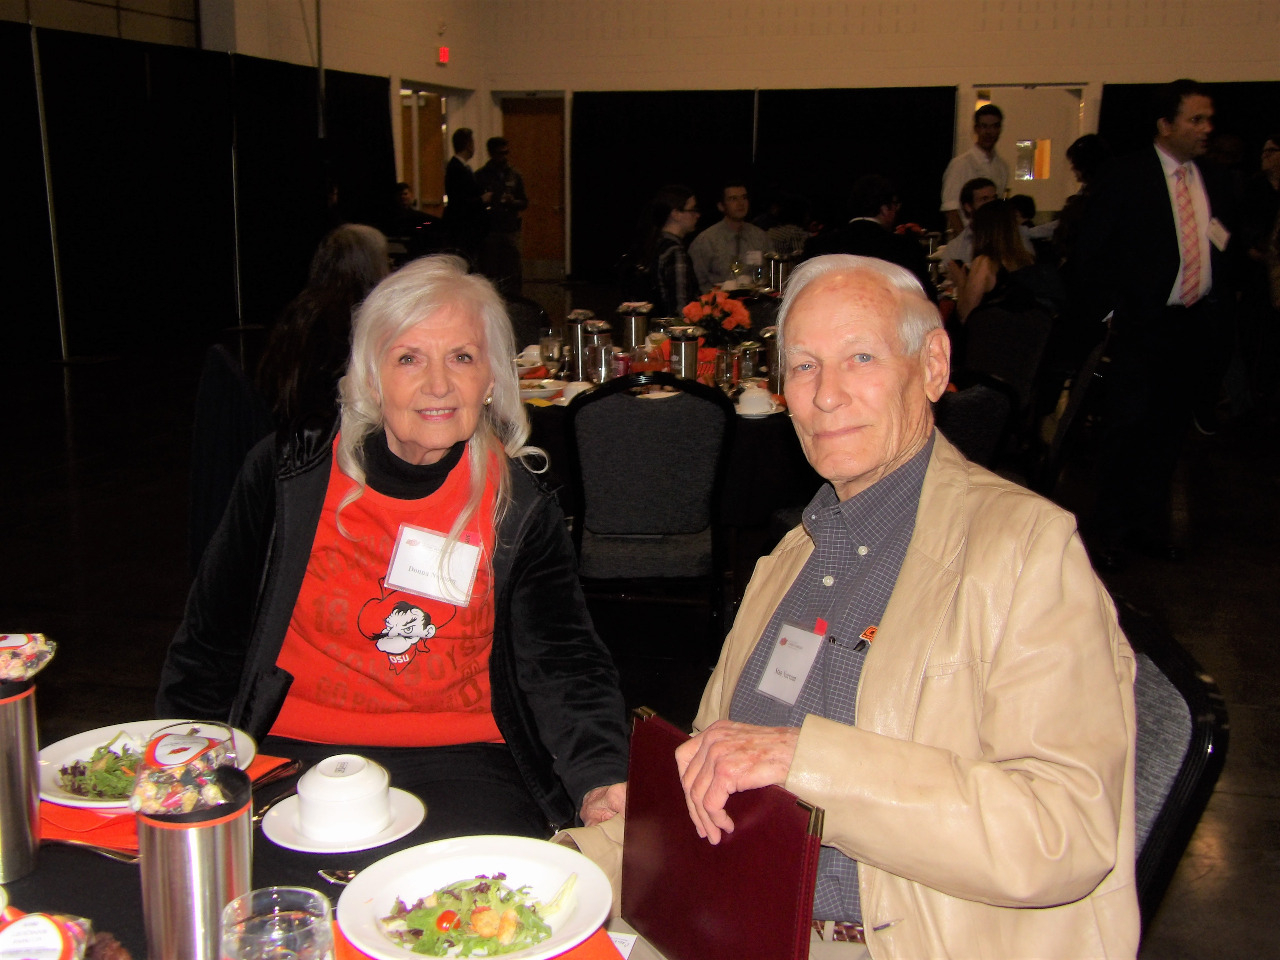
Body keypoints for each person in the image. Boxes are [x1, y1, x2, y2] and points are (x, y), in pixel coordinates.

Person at [561, 255, 1139, 959]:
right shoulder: (790, 561)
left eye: (859, 357)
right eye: (802, 367)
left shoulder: (1024, 553)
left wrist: (805, 759)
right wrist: (598, 847)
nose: (826, 395)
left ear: (931, 366)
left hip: (892, 939)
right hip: (729, 910)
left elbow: (1064, 833)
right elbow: (724, 767)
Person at [159, 255, 630, 836]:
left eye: (462, 357)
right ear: (370, 378)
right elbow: (212, 638)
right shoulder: (289, 476)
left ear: (492, 380)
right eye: (409, 358)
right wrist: (189, 762)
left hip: (461, 758)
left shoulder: (519, 506)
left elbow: (565, 662)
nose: (438, 384)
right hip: (295, 752)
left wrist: (600, 775)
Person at [1077, 79, 1237, 569]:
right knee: (1127, 428)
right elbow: (1089, 251)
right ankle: (1106, 531)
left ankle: (1147, 525)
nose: (1206, 129)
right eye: (1195, 119)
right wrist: (1111, 313)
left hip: (1192, 327)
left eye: (1210, 119)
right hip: (1141, 327)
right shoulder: (1127, 176)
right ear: (1165, 125)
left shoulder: (1216, 179)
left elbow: (1224, 246)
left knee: (1167, 433)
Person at [256, 223, 390, 424]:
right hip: (327, 437)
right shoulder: (352, 321)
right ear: (369, 266)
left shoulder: (301, 309)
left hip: (289, 428)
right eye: (385, 258)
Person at [802, 174, 936, 301]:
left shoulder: (818, 245)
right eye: (895, 205)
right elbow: (926, 300)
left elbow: (799, 295)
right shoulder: (905, 248)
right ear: (884, 208)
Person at [955, 198, 1038, 321]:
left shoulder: (985, 263)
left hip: (991, 333)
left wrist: (960, 281)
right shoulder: (1028, 259)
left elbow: (966, 313)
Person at [689, 181, 775, 291]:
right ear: (721, 206)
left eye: (744, 198)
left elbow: (771, 274)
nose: (740, 203)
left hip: (756, 303)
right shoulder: (706, 240)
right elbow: (696, 282)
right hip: (719, 303)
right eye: (733, 199)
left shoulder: (760, 236)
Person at [941, 103, 1009, 237]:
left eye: (994, 126)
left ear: (1000, 129)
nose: (989, 132)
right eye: (984, 126)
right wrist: (965, 244)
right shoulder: (961, 164)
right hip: (967, 239)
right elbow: (951, 209)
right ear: (976, 129)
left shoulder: (1002, 167)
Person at [475, 136, 528, 299]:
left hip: (510, 228)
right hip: (490, 229)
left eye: (506, 153)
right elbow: (474, 204)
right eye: (500, 153)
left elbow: (524, 202)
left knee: (512, 269)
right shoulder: (481, 176)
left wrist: (513, 202)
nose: (504, 157)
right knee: (490, 270)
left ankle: (515, 301)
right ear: (491, 153)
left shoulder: (514, 174)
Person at [643, 184, 700, 316]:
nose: (697, 215)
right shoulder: (674, 251)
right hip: (674, 331)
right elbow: (683, 308)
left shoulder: (654, 243)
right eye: (692, 210)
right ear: (675, 214)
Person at [443, 128, 490, 265]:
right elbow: (459, 201)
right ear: (468, 145)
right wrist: (482, 199)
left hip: (465, 228)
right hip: (463, 228)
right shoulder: (457, 169)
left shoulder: (460, 168)